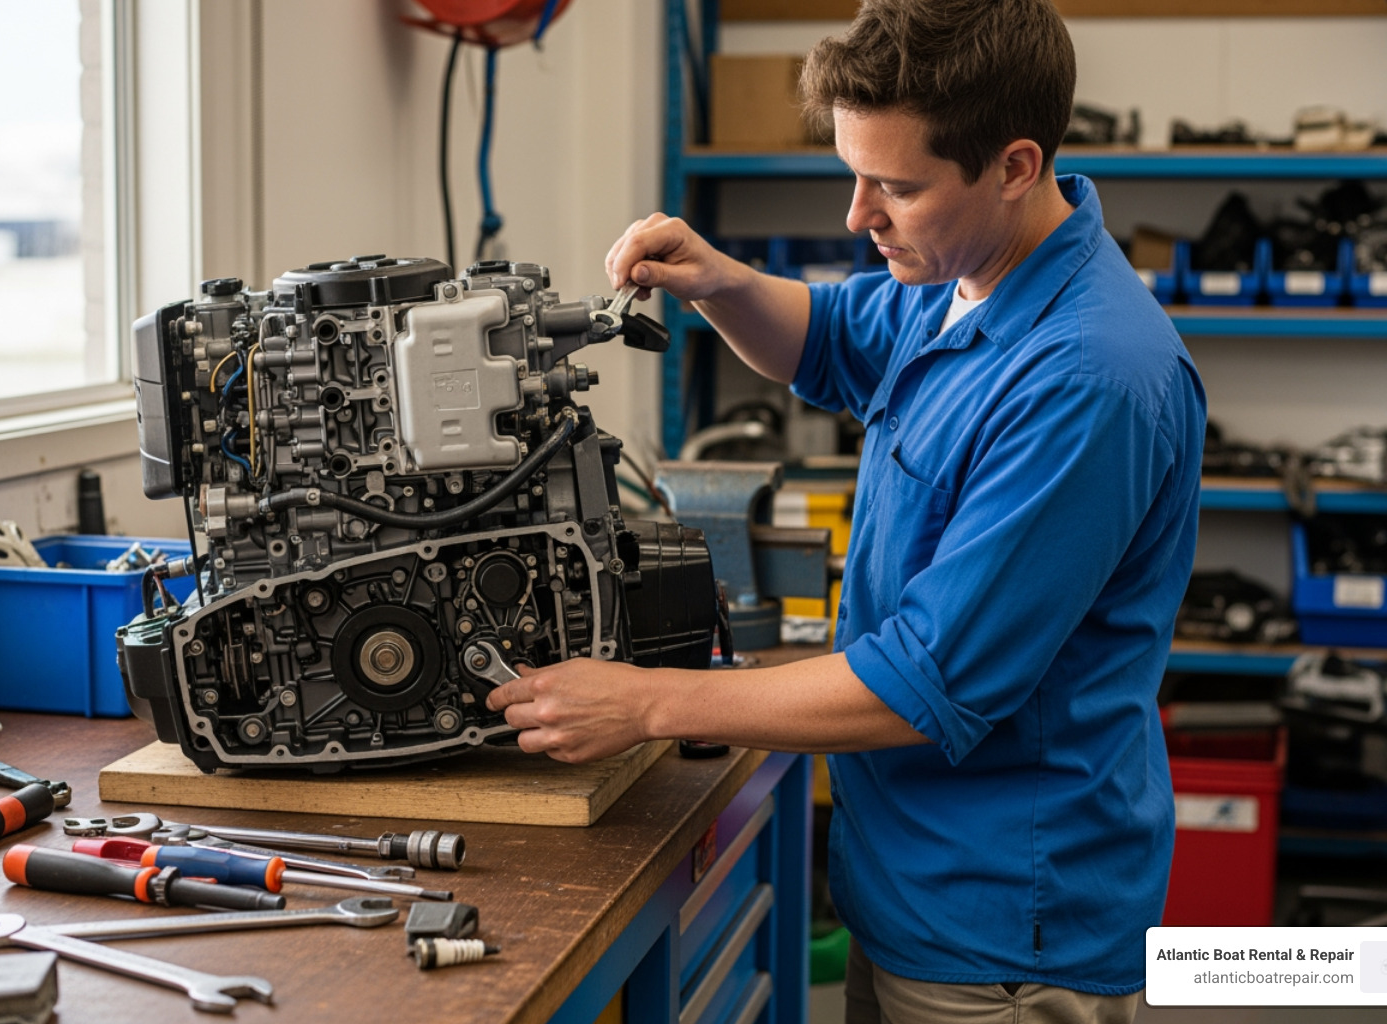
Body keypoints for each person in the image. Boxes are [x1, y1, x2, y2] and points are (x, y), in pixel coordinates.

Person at [487, 1, 1206, 1020]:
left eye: (896, 186)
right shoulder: (967, 267)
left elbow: (921, 685)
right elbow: (828, 338)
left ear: (1014, 165)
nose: (858, 215)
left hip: (1001, 932)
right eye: (852, 172)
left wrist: (644, 700)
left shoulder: (1086, 377)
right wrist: (720, 282)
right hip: (911, 877)